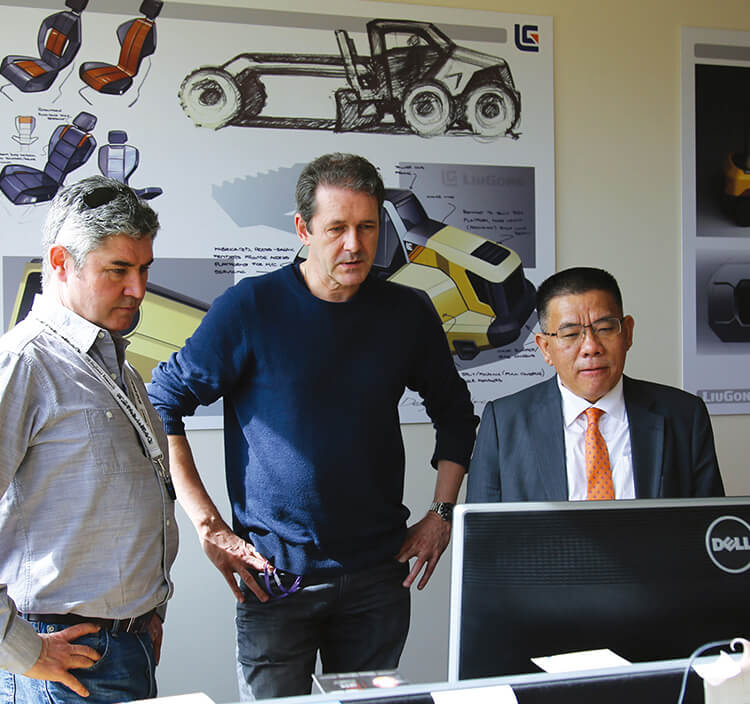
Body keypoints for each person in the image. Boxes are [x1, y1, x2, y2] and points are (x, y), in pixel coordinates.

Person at [147, 152, 477, 700]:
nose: (354, 245)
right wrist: (208, 526)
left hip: (378, 578)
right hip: (276, 580)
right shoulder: (251, 308)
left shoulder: (407, 312)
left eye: (367, 227)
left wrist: (441, 513)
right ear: (303, 230)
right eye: (337, 228)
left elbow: (455, 412)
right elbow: (162, 403)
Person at [0, 176, 178, 702]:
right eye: (118, 270)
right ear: (61, 263)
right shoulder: (26, 363)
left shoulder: (118, 368)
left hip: (126, 644)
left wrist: (147, 615)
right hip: (61, 659)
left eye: (144, 269)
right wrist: (20, 650)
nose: (138, 289)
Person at [467, 266, 724, 502]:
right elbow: (480, 531)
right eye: (570, 334)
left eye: (605, 328)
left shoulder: (684, 415)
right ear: (545, 348)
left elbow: (711, 527)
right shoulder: (504, 422)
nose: (591, 347)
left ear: (628, 333)